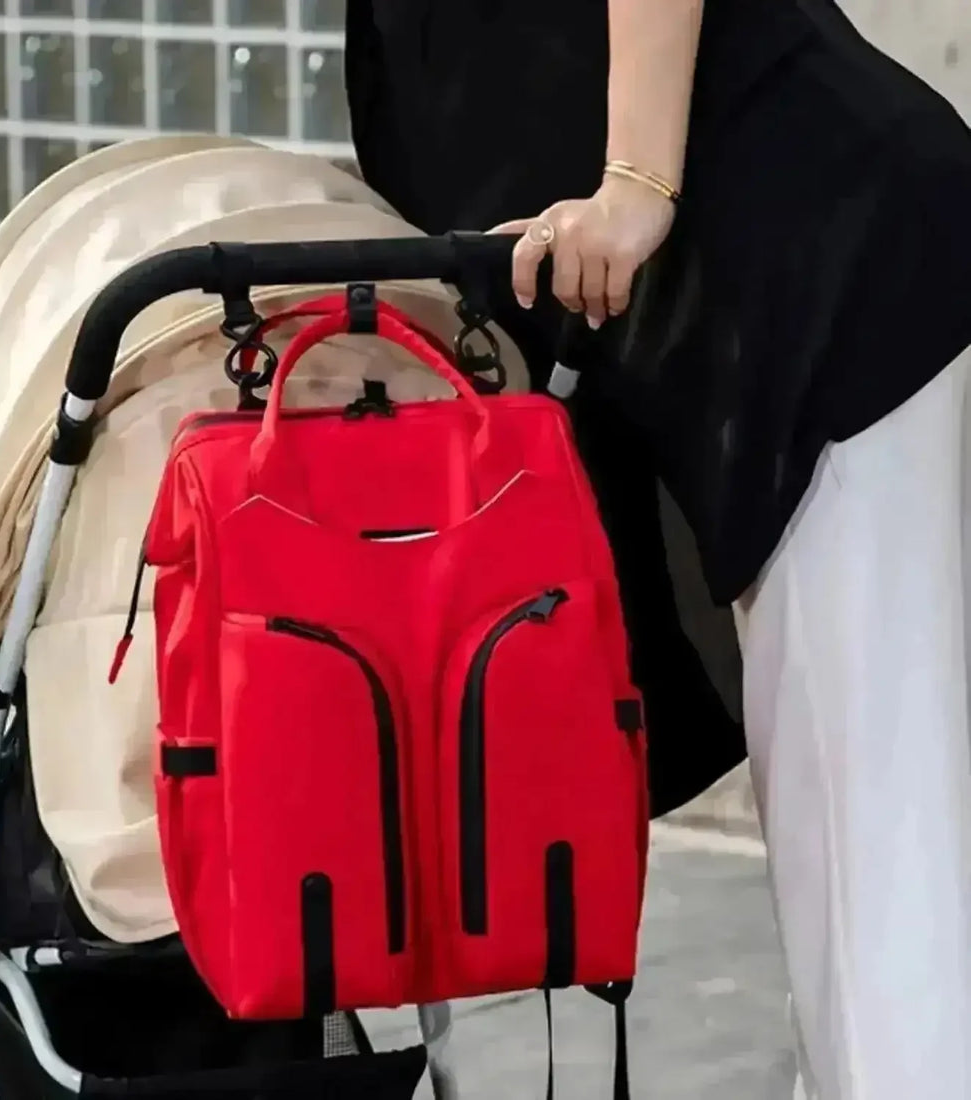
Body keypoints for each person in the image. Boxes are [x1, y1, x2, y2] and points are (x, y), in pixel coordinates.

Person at [344, 1, 971, 1098]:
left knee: (877, 859)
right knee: (853, 858)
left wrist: (636, 178)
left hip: (841, 282)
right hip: (779, 310)